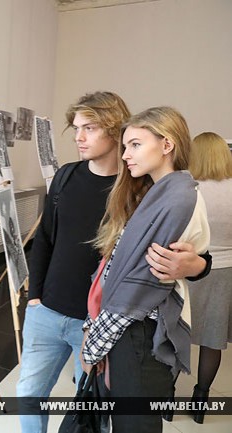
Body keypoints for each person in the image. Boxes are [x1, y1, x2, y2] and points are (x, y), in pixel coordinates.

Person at [16, 92, 211, 433]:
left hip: (97, 319)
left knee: (92, 408)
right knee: (30, 394)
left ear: (113, 129)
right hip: (48, 310)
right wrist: (35, 296)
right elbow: (45, 238)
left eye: (89, 128)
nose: (79, 137)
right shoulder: (66, 177)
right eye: (76, 128)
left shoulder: (144, 187)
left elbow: (188, 255)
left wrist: (197, 266)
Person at [81, 107, 210, 433]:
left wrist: (95, 342)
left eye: (135, 145)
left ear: (167, 145)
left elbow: (141, 285)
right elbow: (114, 267)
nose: (125, 155)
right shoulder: (153, 191)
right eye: (125, 146)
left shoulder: (177, 197)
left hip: (139, 333)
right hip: (126, 331)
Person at [184, 132, 232, 423]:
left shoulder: (189, 189)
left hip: (187, 270)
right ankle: (200, 400)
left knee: (175, 335)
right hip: (225, 273)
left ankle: (164, 399)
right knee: (212, 340)